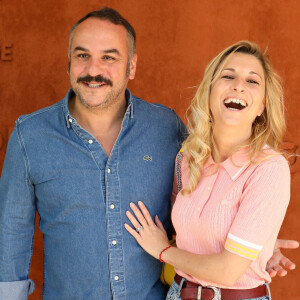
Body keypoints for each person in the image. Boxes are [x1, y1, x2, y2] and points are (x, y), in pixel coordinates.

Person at [0, 8, 297, 300]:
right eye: (82, 56)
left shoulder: (166, 127)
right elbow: (11, 234)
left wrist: (256, 246)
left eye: (109, 57)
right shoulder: (31, 136)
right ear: (68, 64)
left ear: (132, 66)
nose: (93, 70)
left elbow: (211, 201)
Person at [125, 40, 297, 300]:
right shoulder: (187, 158)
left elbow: (229, 271)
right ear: (209, 92)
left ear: (262, 106)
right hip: (177, 293)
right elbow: (183, 229)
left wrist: (162, 251)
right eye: (228, 76)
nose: (239, 85)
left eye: (252, 81)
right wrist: (260, 244)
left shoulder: (269, 168)